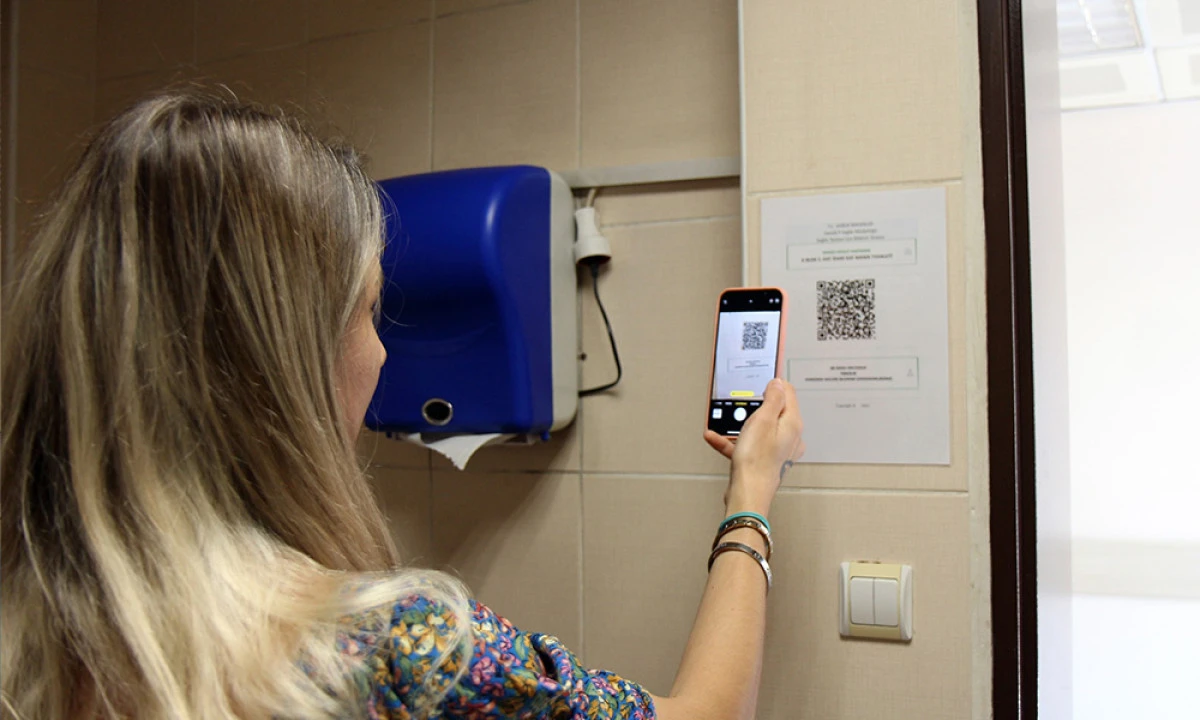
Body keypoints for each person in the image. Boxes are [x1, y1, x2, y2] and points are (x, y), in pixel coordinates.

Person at [0, 92, 805, 720]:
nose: (384, 353)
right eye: (369, 310)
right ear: (286, 356)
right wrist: (751, 499)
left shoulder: (33, 630)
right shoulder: (401, 651)